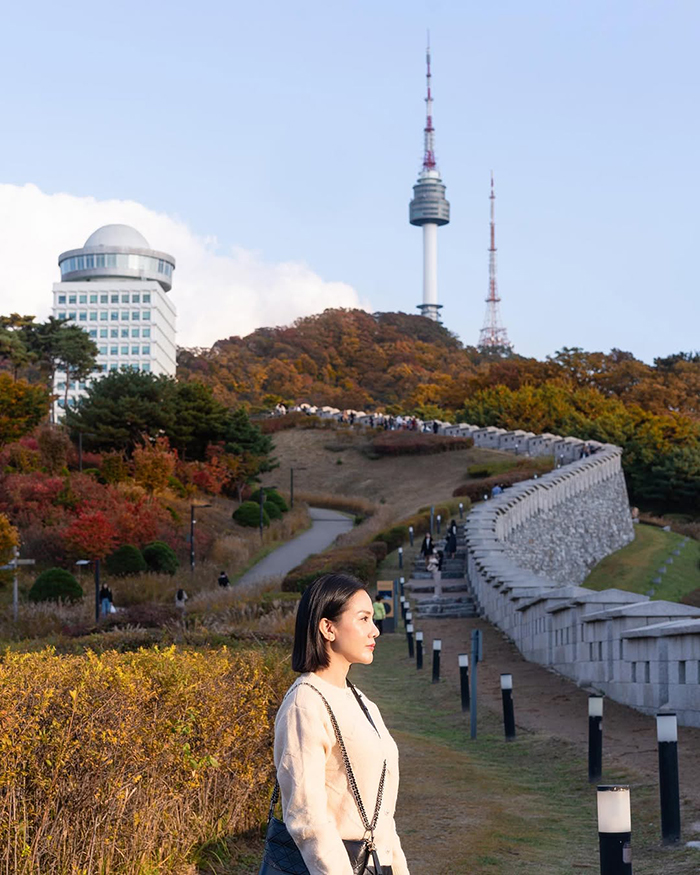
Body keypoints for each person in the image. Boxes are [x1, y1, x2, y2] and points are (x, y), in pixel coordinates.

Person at [271, 574, 410, 875]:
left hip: (376, 864)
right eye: (363, 619)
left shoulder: (361, 702)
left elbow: (382, 816)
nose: (375, 630)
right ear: (328, 628)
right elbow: (306, 817)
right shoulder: (305, 702)